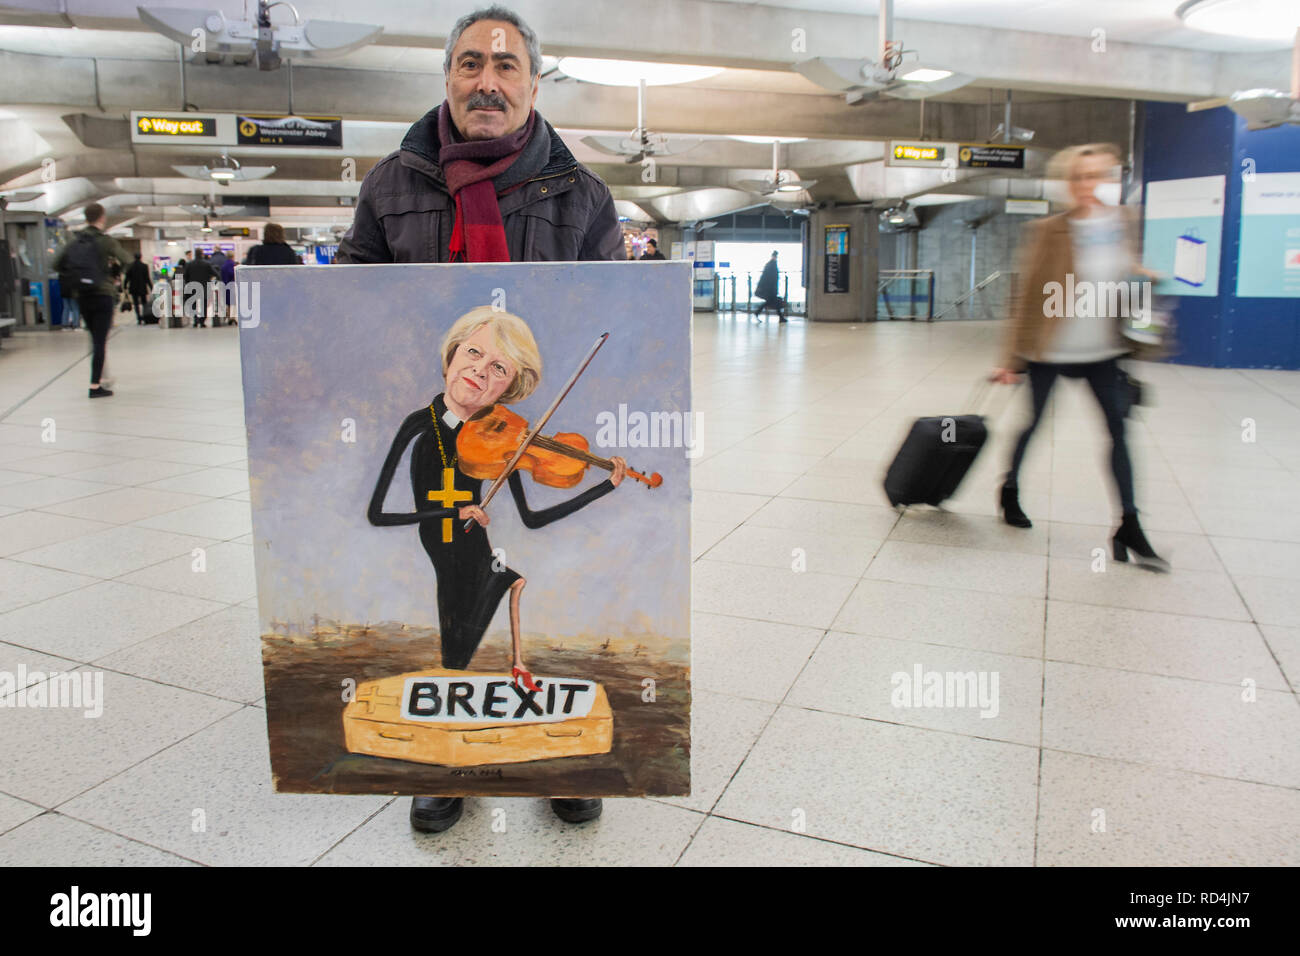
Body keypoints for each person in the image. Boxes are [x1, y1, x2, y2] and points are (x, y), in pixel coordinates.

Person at [337, 3, 623, 834]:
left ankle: (552, 757)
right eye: (470, 64)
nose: (486, 82)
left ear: (532, 82)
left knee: (555, 607)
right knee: (457, 635)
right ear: (449, 78)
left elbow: (607, 302)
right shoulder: (390, 186)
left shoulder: (584, 194)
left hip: (515, 447)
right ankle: (449, 760)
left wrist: (605, 475)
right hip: (448, 523)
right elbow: (352, 305)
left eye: (505, 67)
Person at [368, 307, 627, 695]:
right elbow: (378, 513)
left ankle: (516, 667)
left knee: (508, 581)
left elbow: (532, 518)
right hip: (441, 541)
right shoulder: (418, 425)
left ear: (509, 388)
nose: (481, 371)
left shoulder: (504, 437)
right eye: (474, 353)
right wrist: (455, 511)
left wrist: (603, 486)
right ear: (453, 352)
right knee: (459, 635)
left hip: (474, 544)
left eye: (500, 369)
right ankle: (463, 680)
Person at [992, 142, 1167, 571]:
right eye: (1082, 177)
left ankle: (1128, 522)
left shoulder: (1125, 223)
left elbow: (1125, 278)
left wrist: (1143, 280)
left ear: (1112, 180)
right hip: (1050, 350)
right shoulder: (1049, 230)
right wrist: (1011, 359)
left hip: (1104, 351)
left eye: (1100, 176)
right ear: (1069, 184)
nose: (1091, 185)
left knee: (1118, 434)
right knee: (1033, 424)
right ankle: (1010, 489)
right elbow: (1030, 295)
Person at [53, 202, 128, 397]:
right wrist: (113, 274)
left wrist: (75, 277)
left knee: (94, 338)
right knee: (99, 341)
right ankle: (96, 385)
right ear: (102, 217)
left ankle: (100, 377)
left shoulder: (73, 242)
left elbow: (56, 263)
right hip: (102, 293)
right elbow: (126, 259)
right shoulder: (105, 241)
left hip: (82, 296)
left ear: (86, 217)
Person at [183, 251, 218, 327]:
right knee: (204, 305)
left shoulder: (189, 264)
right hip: (204, 287)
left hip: (192, 286)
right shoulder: (206, 264)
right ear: (202, 254)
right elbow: (216, 273)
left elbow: (185, 276)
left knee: (194, 304)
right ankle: (202, 322)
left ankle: (195, 321)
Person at [753, 250, 785, 322]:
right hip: (770, 289)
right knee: (773, 302)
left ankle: (757, 312)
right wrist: (773, 288)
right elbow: (771, 278)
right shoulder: (772, 265)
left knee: (770, 302)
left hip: (769, 288)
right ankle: (781, 318)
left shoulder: (770, 264)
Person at [124, 252, 151, 324]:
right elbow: (147, 278)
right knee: (144, 303)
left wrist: (125, 286)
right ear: (141, 257)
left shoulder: (130, 266)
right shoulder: (144, 266)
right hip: (142, 287)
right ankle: (145, 317)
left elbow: (127, 277)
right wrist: (151, 287)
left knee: (136, 304)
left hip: (133, 288)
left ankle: (138, 318)